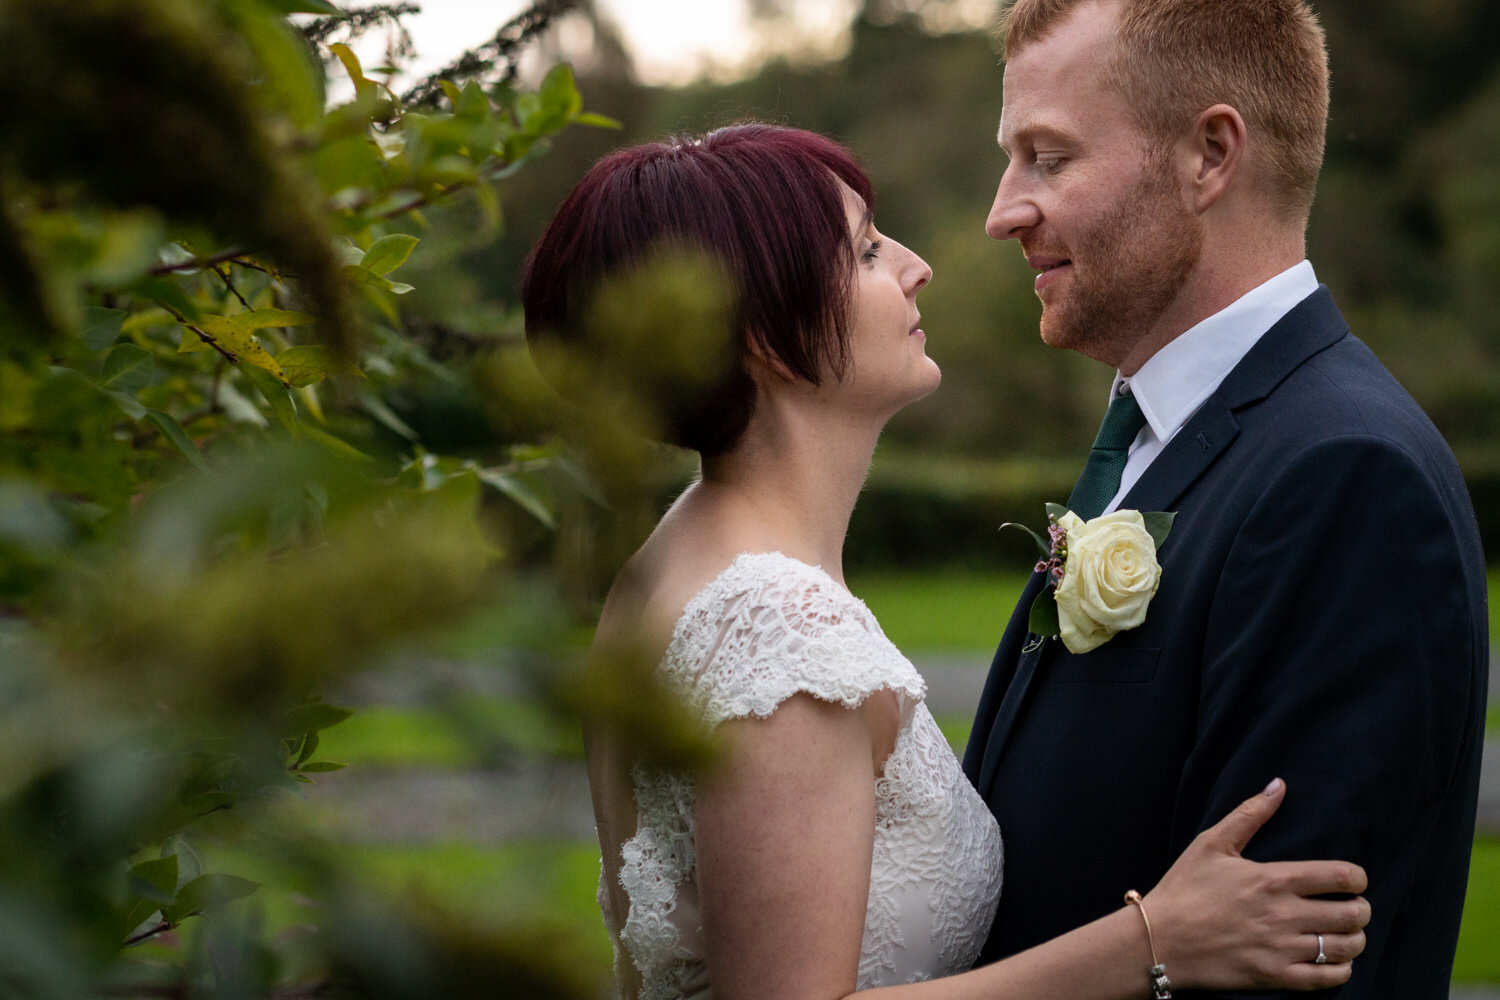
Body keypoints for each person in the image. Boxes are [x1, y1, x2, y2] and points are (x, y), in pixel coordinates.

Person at [523, 123, 1369, 1000]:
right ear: (767, 339)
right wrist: (1156, 939)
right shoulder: (778, 628)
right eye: (865, 252)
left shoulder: (670, 561)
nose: (916, 265)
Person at [964, 0, 1488, 995]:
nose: (1004, 210)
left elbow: (1277, 965)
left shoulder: (1345, 476)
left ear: (1210, 155)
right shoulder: (1158, 437)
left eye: (1050, 157)